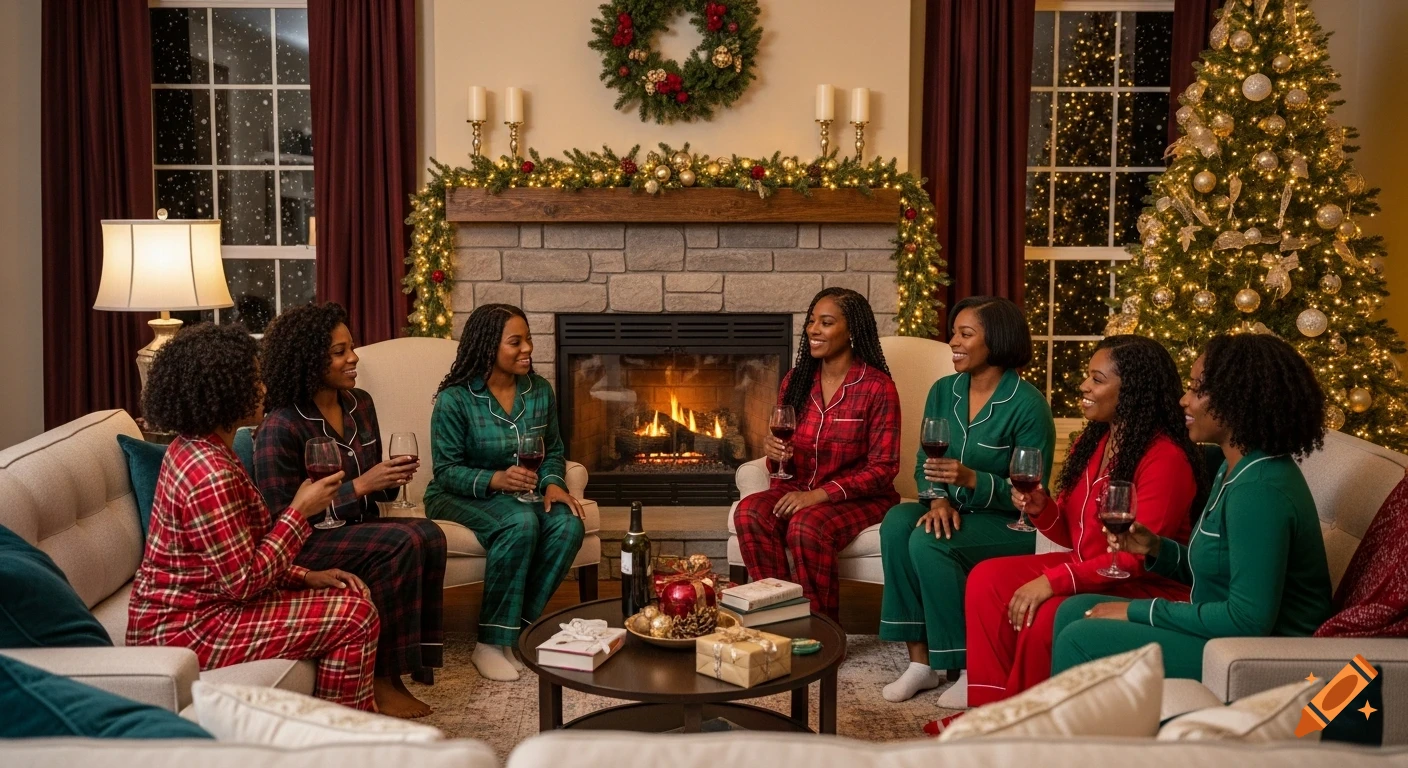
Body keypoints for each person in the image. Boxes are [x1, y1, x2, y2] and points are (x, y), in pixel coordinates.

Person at [127, 324, 379, 711]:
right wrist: (299, 512)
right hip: (188, 630)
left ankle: (331, 724)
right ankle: (341, 741)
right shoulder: (209, 474)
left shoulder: (201, 447)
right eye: (254, 379)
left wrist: (306, 576)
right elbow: (242, 583)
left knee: (346, 596)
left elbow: (241, 553)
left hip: (206, 607)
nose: (263, 388)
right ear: (226, 390)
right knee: (355, 616)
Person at [1051, 334, 1333, 679]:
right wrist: (1157, 549)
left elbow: (1247, 620)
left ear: (1237, 402)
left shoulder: (1259, 490)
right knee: (1075, 610)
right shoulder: (1233, 467)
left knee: (1082, 637)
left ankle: (1068, 731)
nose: (1183, 400)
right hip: (1227, 635)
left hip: (1265, 654)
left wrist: (1142, 611)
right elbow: (1217, 569)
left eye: (1197, 390)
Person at [960, 335, 1206, 707]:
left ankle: (1028, 714)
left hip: (1139, 583)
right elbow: (1070, 534)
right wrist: (1042, 506)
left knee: (1045, 612)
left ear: (1134, 390)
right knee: (987, 579)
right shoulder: (1091, 444)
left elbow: (1135, 558)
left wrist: (1052, 582)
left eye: (1097, 379)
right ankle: (989, 707)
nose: (1085, 386)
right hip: (1088, 568)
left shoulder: (1165, 458)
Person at [254, 303, 447, 718]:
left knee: (428, 532)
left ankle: (412, 665)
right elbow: (278, 517)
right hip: (306, 545)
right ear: (309, 360)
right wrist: (361, 485)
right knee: (403, 540)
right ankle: (379, 679)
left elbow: (374, 486)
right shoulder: (281, 425)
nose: (354, 358)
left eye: (352, 348)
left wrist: (390, 478)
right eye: (340, 352)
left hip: (357, 527)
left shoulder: (360, 403)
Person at [878, 296, 1056, 703]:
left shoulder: (1029, 405)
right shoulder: (944, 390)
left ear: (996, 341)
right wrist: (937, 500)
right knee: (898, 523)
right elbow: (928, 457)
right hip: (953, 509)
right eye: (954, 331)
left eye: (965, 333)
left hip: (1009, 522)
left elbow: (1032, 494)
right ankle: (921, 664)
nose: (953, 341)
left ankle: (969, 668)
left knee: (929, 540)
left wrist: (973, 479)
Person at [425, 303, 585, 682]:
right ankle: (488, 644)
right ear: (488, 347)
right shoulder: (456, 399)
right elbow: (446, 471)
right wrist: (495, 480)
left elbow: (554, 451)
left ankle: (515, 634)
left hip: (523, 494)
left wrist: (553, 484)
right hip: (456, 494)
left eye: (528, 338)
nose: (528, 348)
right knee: (521, 522)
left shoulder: (539, 390)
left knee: (569, 524)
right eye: (516, 341)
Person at [734, 287, 901, 622]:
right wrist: (774, 453)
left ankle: (822, 629)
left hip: (858, 498)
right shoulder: (796, 381)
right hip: (798, 488)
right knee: (750, 511)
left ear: (851, 331)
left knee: (806, 526)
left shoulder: (877, 387)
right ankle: (779, 616)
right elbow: (783, 459)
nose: (813, 330)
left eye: (826, 323)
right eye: (812, 321)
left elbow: (884, 468)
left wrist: (821, 496)